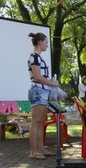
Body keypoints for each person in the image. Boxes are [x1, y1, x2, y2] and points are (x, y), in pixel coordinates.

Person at [27, 32, 59, 160]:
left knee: (41, 122)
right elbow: (38, 77)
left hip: (42, 92)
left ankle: (41, 149)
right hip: (38, 91)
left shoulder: (38, 57)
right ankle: (33, 152)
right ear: (40, 42)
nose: (46, 45)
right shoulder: (34, 57)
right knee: (36, 122)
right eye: (46, 42)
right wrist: (53, 83)